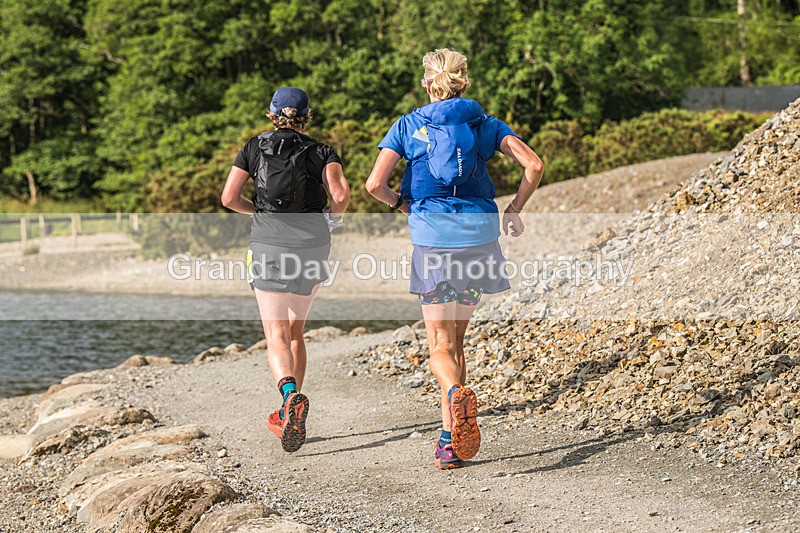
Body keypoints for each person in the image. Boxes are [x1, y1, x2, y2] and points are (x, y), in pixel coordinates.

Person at [366, 49, 544, 469]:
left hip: (435, 243)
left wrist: (401, 204)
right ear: (464, 82)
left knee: (439, 346)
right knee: (458, 343)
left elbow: (374, 184)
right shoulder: (485, 124)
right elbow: (534, 165)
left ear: (428, 84)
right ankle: (450, 442)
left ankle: (452, 395)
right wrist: (514, 208)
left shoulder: (408, 125)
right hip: (480, 241)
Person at [221, 87, 350, 452]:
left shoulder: (252, 147)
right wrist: (333, 219)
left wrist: (258, 213)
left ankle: (289, 396)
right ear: (306, 116)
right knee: (295, 331)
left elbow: (229, 198)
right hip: (313, 244)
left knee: (275, 333)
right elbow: (341, 195)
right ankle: (291, 407)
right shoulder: (322, 151)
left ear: (271, 114)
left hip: (269, 243)